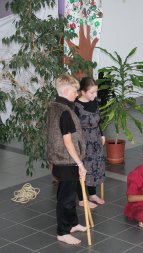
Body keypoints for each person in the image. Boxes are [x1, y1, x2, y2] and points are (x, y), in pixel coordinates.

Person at [47, 74, 87, 245]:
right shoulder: (65, 112)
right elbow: (68, 141)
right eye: (75, 91)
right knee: (67, 197)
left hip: (59, 159)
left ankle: (72, 223)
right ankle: (62, 232)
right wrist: (80, 164)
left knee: (69, 193)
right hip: (66, 160)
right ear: (65, 91)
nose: (77, 94)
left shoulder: (54, 106)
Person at [74, 77, 106, 209]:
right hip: (83, 141)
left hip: (96, 139)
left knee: (95, 166)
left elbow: (98, 120)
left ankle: (92, 194)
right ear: (82, 92)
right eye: (92, 92)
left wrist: (102, 134)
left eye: (96, 92)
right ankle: (82, 199)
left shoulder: (95, 102)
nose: (95, 95)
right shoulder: (76, 106)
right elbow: (73, 128)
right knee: (83, 169)